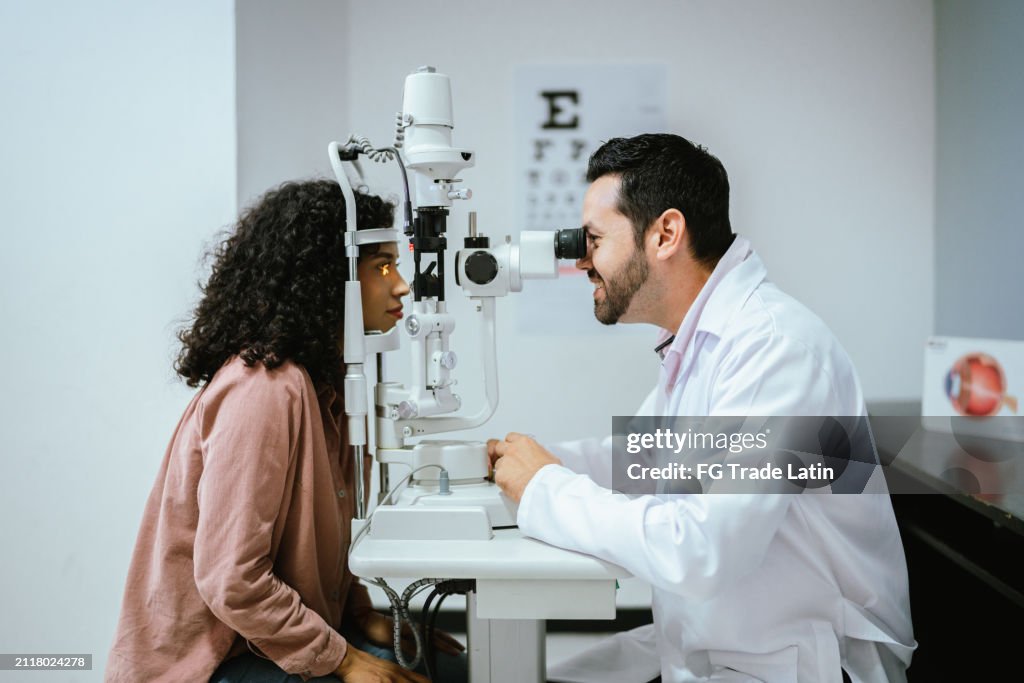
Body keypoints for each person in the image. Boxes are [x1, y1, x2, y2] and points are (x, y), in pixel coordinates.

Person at [490, 134, 916, 683]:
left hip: (804, 662)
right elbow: (642, 461)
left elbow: (704, 549)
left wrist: (545, 486)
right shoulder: (704, 341)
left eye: (593, 239)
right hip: (728, 642)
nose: (581, 261)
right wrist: (531, 465)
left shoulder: (772, 347)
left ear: (665, 233)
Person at [106, 179, 466, 682]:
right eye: (382, 266)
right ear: (328, 277)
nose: (402, 285)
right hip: (216, 662)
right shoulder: (266, 389)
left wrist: (362, 617)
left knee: (449, 664)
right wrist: (343, 658)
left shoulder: (328, 387)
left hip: (270, 640)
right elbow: (232, 579)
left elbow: (305, 551)